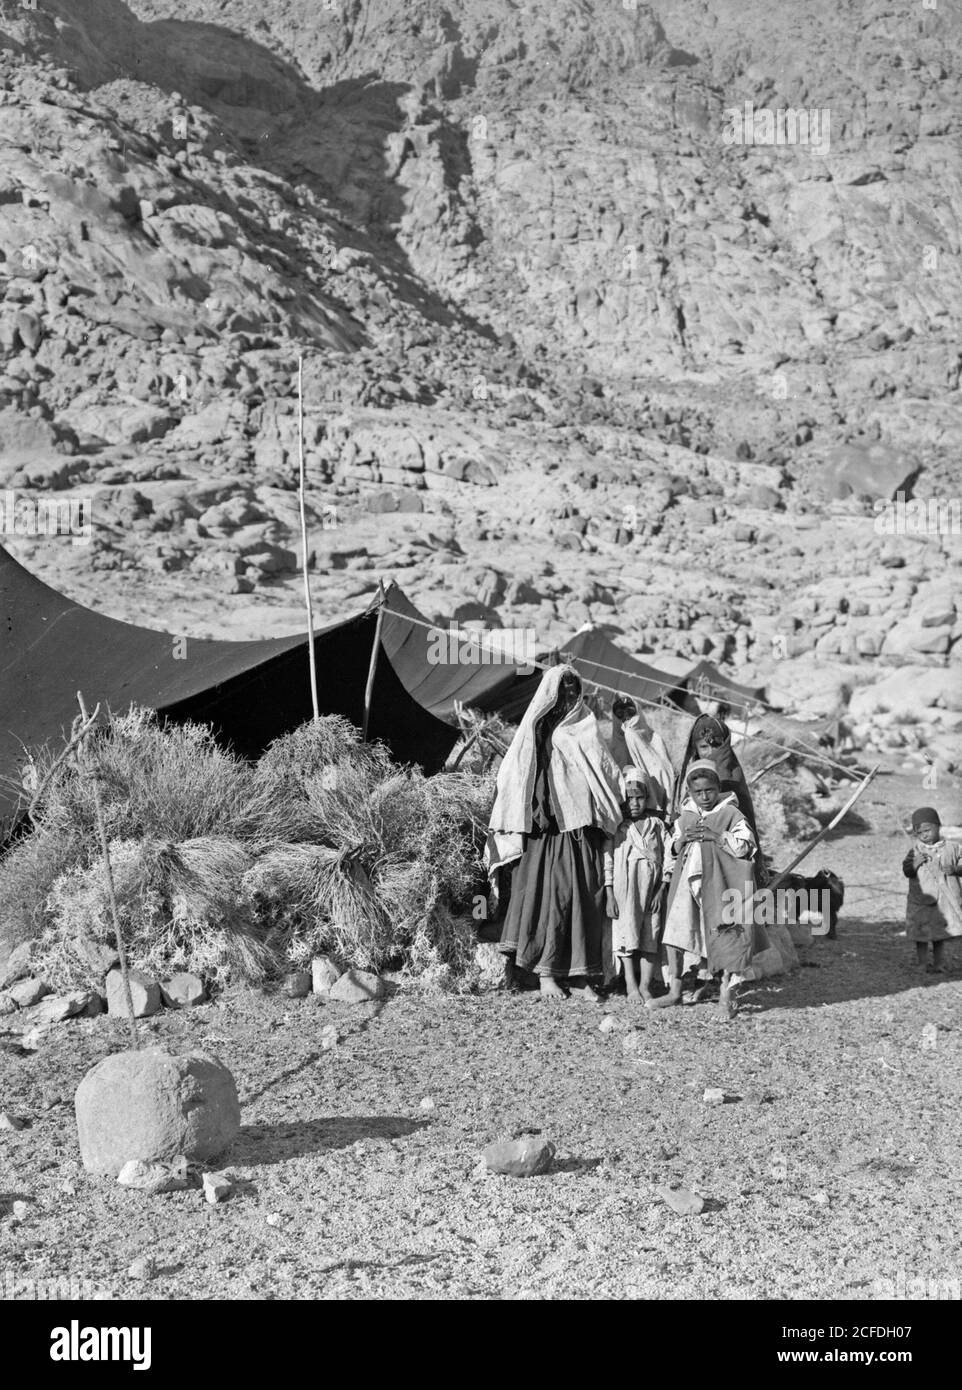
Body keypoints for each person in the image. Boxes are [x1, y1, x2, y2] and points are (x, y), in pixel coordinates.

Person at [486, 665, 624, 1001]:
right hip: (544, 833)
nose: (567, 697)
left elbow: (603, 774)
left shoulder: (585, 727)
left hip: (581, 832)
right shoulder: (533, 731)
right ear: (549, 694)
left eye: (573, 690)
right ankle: (547, 974)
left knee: (584, 901)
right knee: (549, 900)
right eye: (561, 691)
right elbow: (515, 777)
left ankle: (580, 978)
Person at [654, 760, 765, 1020]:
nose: (704, 797)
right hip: (685, 884)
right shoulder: (687, 815)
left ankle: (727, 995)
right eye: (698, 792)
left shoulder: (731, 814)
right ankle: (675, 990)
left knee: (726, 935)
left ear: (718, 788)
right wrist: (682, 839)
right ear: (690, 793)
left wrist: (719, 837)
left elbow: (745, 847)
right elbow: (671, 848)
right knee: (676, 932)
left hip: (720, 884)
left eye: (709, 791)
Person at [673, 711, 766, 882]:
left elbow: (744, 826)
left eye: (716, 745)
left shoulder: (731, 775)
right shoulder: (694, 774)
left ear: (725, 744)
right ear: (695, 748)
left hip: (729, 857)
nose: (710, 753)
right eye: (704, 747)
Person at [604, 767, 669, 1004]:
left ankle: (645, 986)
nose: (634, 803)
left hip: (651, 890)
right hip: (625, 889)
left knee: (650, 936)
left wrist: (661, 890)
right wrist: (610, 892)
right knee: (626, 934)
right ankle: (631, 985)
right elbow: (608, 859)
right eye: (629, 797)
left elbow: (669, 857)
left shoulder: (657, 825)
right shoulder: (619, 827)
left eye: (639, 797)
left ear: (647, 798)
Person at [902, 806, 962, 972]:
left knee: (939, 934)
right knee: (920, 934)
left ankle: (939, 963)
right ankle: (922, 964)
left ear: (938, 826)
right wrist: (915, 863)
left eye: (927, 830)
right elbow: (906, 871)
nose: (924, 835)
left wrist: (955, 869)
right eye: (919, 833)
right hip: (920, 901)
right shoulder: (915, 851)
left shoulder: (953, 848)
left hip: (943, 901)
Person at [609, 697, 676, 814]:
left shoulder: (655, 741)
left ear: (638, 713)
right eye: (620, 714)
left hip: (660, 811)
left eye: (630, 713)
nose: (626, 718)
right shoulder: (614, 748)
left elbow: (665, 776)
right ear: (615, 718)